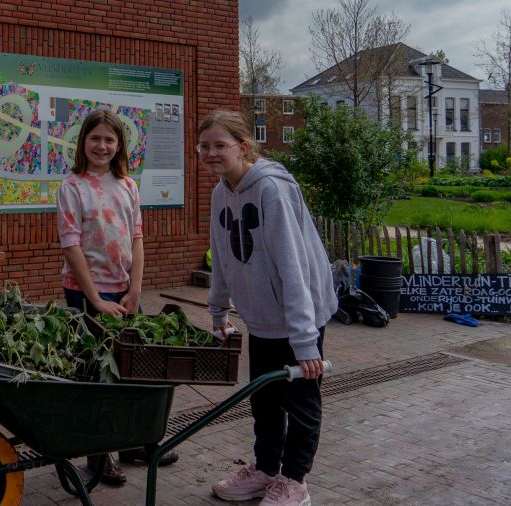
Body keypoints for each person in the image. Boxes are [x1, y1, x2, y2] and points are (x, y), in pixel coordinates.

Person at [200, 110, 336, 506]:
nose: (211, 153)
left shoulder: (271, 190)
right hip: (261, 319)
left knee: (301, 403)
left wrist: (305, 341)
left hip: (297, 316)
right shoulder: (220, 192)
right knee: (265, 402)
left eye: (220, 146)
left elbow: (294, 267)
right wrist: (218, 313)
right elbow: (222, 257)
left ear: (243, 147)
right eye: (204, 146)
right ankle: (264, 471)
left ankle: (295, 483)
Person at [56, 109, 177, 486]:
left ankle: (132, 443)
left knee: (129, 370)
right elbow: (71, 247)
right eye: (96, 138)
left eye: (110, 139)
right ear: (83, 142)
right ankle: (98, 453)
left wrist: (136, 288)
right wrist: (94, 299)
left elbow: (137, 238)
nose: (102, 145)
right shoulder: (72, 187)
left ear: (120, 145)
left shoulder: (127, 185)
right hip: (86, 293)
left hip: (125, 292)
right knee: (96, 372)